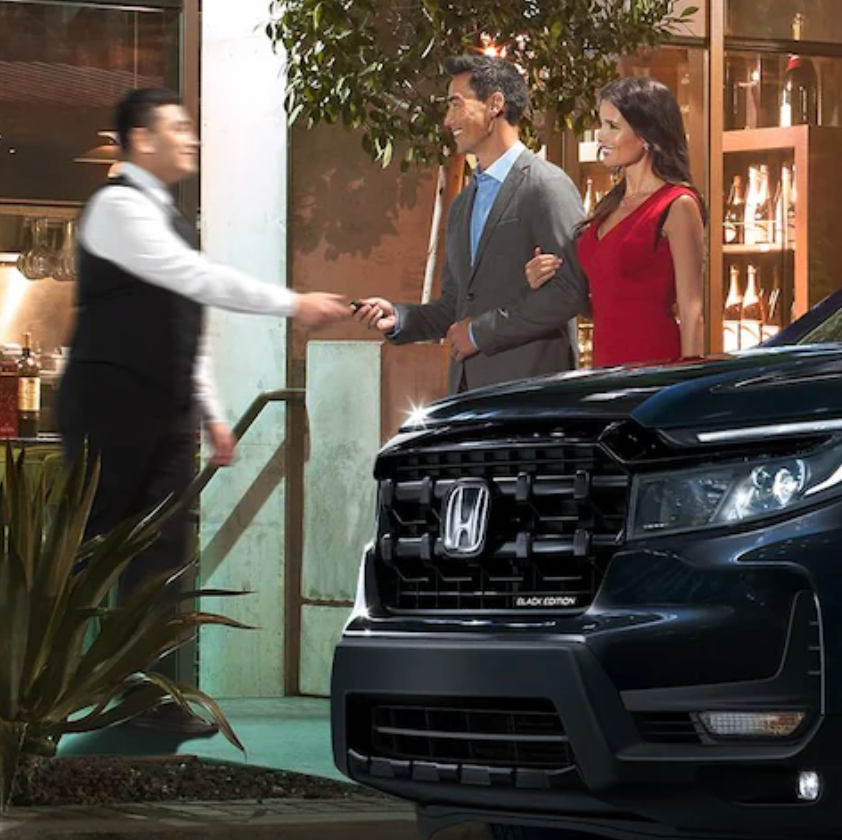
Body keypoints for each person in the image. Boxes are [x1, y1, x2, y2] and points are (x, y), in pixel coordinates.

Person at [61, 88, 352, 735]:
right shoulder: (116, 208)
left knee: (162, 557)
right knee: (83, 552)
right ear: (141, 140)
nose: (190, 137)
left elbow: (184, 319)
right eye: (177, 127)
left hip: (165, 413)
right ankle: (35, 693)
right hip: (109, 405)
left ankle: (149, 699)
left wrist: (212, 412)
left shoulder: (170, 217)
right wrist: (292, 303)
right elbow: (192, 279)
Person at [353, 54, 586, 393]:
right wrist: (400, 318)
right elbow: (455, 305)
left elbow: (569, 292)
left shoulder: (546, 185)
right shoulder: (464, 203)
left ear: (495, 104)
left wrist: (479, 333)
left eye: (457, 105)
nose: (448, 121)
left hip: (531, 391)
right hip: (470, 393)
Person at [523, 76, 708, 365]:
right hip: (605, 368)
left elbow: (692, 310)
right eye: (601, 124)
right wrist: (546, 278)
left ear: (646, 134)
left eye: (613, 126)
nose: (600, 135)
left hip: (655, 368)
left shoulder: (678, 205)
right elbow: (602, 297)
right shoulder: (608, 207)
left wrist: (686, 389)